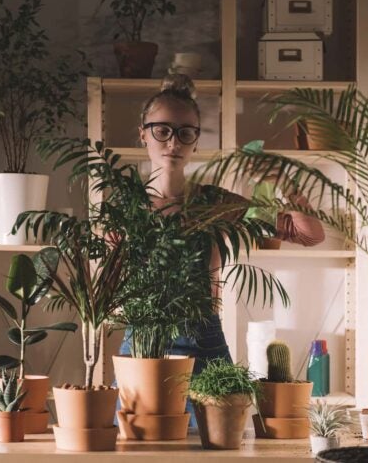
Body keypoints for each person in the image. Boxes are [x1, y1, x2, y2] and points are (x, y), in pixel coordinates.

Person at [116, 74, 325, 426]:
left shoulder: (216, 203)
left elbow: (310, 234)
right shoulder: (124, 209)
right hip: (140, 350)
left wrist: (283, 181)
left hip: (205, 349)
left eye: (186, 132)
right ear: (143, 133)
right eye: (162, 130)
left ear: (195, 140)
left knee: (216, 452)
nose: (173, 142)